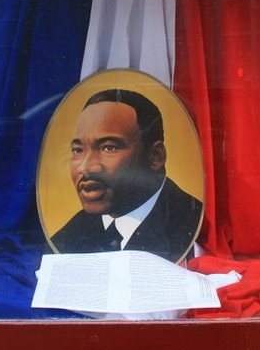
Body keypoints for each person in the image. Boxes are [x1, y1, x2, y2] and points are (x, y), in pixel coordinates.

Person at [50, 88, 202, 264]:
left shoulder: (193, 227)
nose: (85, 167)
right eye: (78, 150)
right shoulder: (67, 238)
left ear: (155, 157)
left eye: (109, 148)